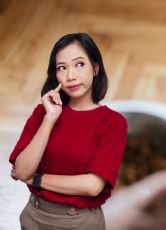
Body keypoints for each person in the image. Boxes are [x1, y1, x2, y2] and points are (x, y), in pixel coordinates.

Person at [9, 33, 128, 229]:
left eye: (79, 64)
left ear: (95, 68)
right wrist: (50, 118)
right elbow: (22, 170)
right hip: (33, 216)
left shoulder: (113, 123)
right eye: (61, 68)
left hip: (78, 222)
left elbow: (92, 186)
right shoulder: (43, 113)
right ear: (55, 75)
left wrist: (37, 179)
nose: (70, 76)